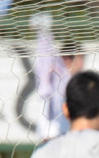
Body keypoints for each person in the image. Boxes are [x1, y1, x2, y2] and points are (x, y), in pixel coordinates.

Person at [30, 12, 84, 142]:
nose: (83, 63)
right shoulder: (58, 72)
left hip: (63, 129)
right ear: (67, 58)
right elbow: (45, 58)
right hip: (51, 125)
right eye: (81, 58)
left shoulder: (70, 79)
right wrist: (44, 32)